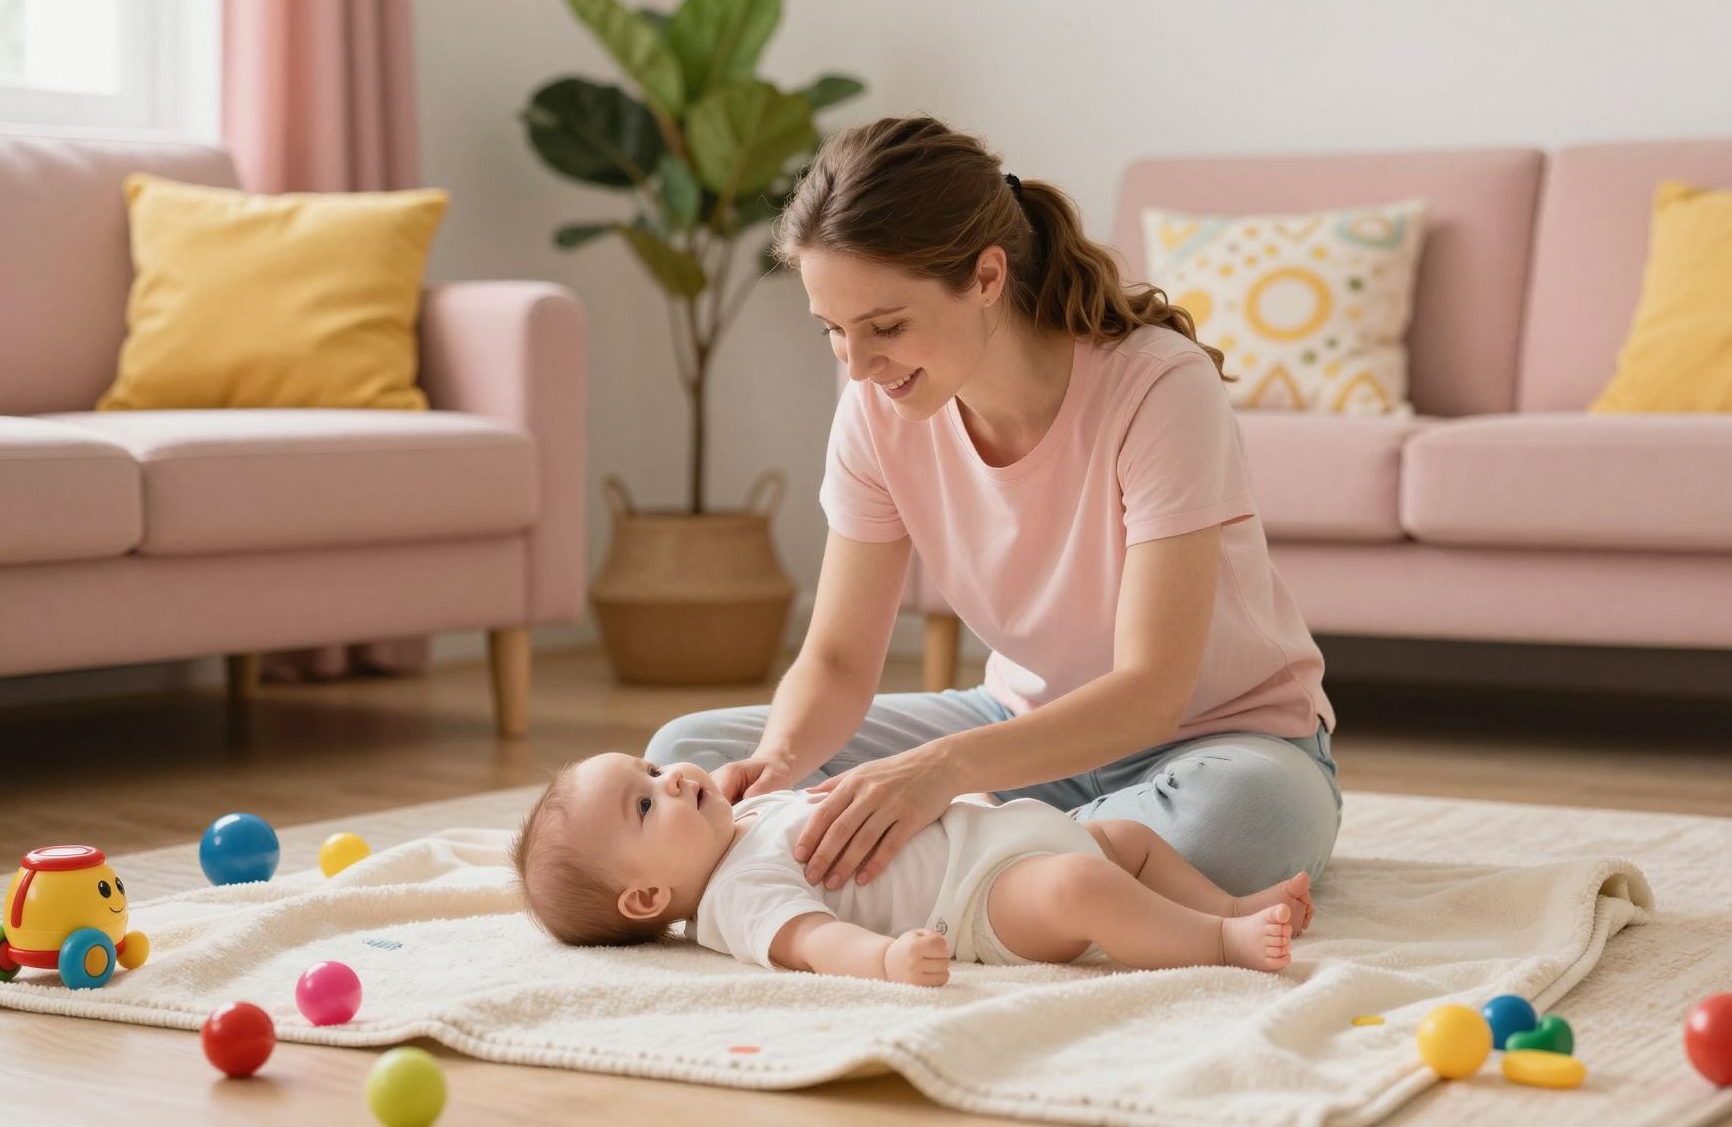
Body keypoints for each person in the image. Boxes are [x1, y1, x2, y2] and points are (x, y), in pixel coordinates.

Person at [646, 114, 1340, 903]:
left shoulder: (1159, 387)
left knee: (1239, 827)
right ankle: (1027, 870)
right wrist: (779, 760)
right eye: (834, 330)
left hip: (1218, 744)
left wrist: (944, 771)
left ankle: (956, 861)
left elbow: (1152, 692)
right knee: (690, 752)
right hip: (1014, 733)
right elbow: (837, 661)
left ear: (985, 277)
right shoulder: (876, 409)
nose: (860, 365)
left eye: (886, 327)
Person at [511, 751, 1312, 983]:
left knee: (1128, 838)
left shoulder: (744, 819)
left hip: (1000, 831)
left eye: (653, 768)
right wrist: (887, 959)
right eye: (644, 805)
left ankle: (1228, 902)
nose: (672, 779)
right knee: (1085, 887)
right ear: (648, 896)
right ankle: (1220, 942)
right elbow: (814, 942)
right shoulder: (736, 897)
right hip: (981, 899)